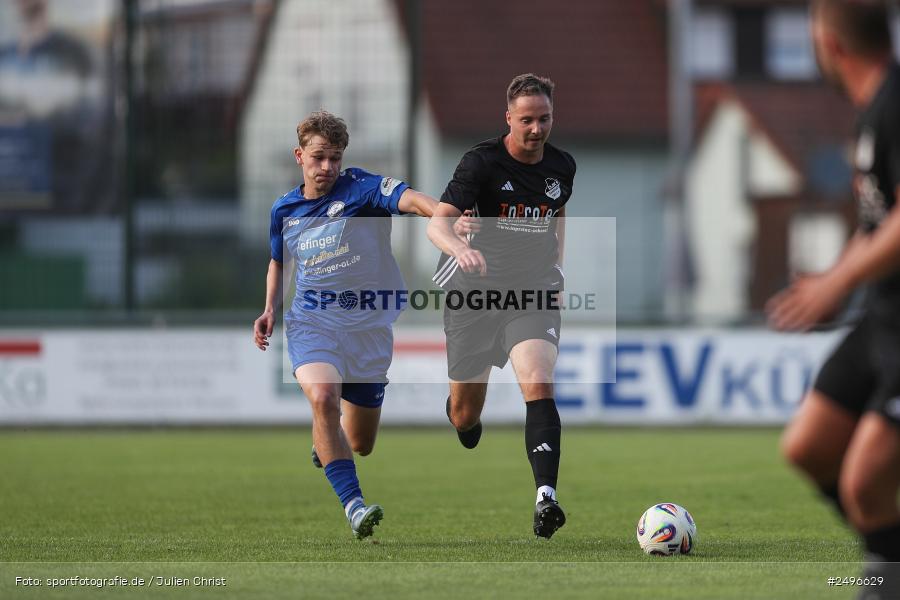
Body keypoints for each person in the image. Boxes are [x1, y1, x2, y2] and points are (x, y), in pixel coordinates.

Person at [253, 111, 440, 539]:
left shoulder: (362, 189)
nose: (327, 167)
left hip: (368, 329)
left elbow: (410, 199)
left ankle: (326, 437)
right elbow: (279, 262)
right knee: (323, 398)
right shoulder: (285, 209)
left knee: (360, 443)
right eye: (318, 157)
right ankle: (354, 506)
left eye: (335, 158)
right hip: (312, 323)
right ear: (299, 156)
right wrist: (270, 309)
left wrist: (443, 216)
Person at [767, 0, 900, 593]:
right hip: (883, 315)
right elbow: (878, 224)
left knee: (865, 483)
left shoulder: (895, 104)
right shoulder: (872, 109)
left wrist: (837, 284)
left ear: (831, 45)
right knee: (809, 447)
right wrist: (833, 277)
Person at [427, 73, 576, 539]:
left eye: (544, 119)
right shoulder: (481, 163)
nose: (536, 129)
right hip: (474, 296)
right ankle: (461, 416)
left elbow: (558, 214)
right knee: (466, 414)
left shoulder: (562, 166)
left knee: (539, 379)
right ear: (508, 117)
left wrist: (558, 269)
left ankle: (546, 497)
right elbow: (437, 224)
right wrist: (459, 247)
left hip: (531, 292)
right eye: (527, 119)